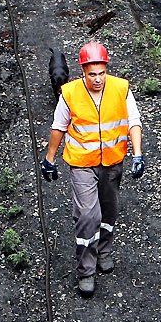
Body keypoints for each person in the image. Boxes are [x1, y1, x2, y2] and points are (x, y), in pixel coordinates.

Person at [41, 41, 145, 296]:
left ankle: (104, 251)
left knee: (109, 211)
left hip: (112, 161)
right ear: (83, 71)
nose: (97, 79)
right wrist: (49, 158)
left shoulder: (121, 89)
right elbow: (58, 127)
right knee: (89, 215)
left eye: (101, 73)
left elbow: (134, 122)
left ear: (106, 69)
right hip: (82, 164)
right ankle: (86, 271)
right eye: (92, 74)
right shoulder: (70, 93)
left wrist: (138, 154)